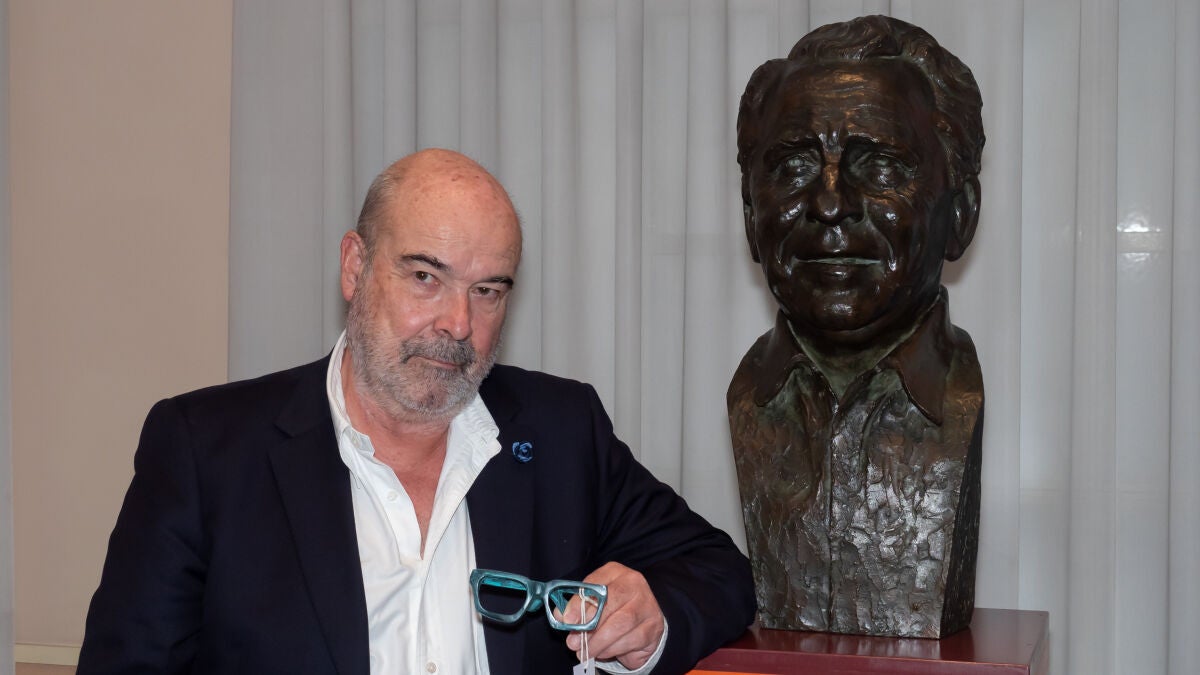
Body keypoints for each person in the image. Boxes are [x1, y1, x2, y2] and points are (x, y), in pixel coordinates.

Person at [79, 149, 755, 674]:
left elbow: (718, 570)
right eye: (426, 277)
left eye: (487, 291)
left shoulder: (558, 431)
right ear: (355, 266)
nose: (458, 323)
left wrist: (649, 618)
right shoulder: (206, 452)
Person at [727, 15, 985, 638]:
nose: (829, 203)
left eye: (882, 167)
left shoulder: (959, 399)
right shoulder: (749, 397)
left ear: (960, 215)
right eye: (793, 167)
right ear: (750, 216)